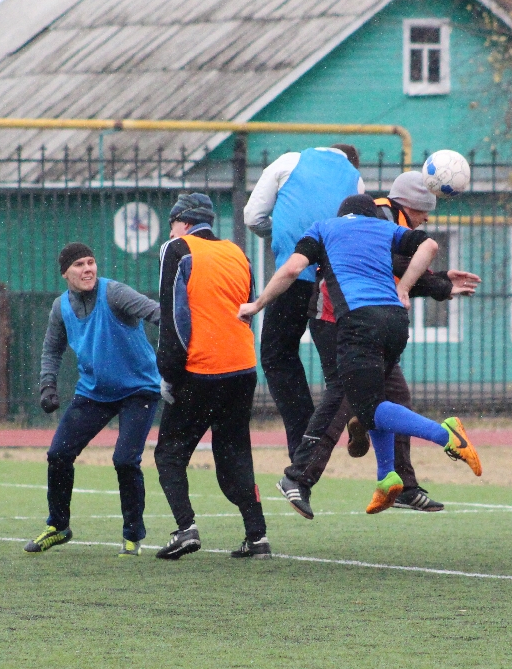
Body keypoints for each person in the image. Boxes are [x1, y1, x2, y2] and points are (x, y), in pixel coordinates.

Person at [239, 194, 482, 514]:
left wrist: (258, 304)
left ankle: (444, 434)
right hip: (395, 324)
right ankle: (389, 478)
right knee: (380, 398)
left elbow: (292, 269)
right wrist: (409, 288)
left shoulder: (324, 228)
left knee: (364, 406)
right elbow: (428, 247)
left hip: (358, 324)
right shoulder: (384, 230)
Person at [154, 193, 270, 560]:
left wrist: (169, 372)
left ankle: (185, 528)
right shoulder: (238, 253)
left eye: (172, 224)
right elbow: (248, 307)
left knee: (169, 453)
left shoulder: (177, 250)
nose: (170, 231)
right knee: (235, 453)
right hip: (243, 367)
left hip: (200, 369)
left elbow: (173, 316)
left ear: (185, 223)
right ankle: (257, 535)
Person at [25, 243, 161, 557]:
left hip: (139, 390)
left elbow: (158, 314)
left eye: (91, 262)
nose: (87, 269)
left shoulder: (115, 293)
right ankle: (59, 527)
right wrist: (47, 385)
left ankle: (132, 536)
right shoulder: (60, 307)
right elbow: (51, 350)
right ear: (65, 273)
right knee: (58, 454)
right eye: (79, 265)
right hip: (94, 392)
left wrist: (177, 353)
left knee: (125, 460)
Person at [243, 144, 365, 461]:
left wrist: (281, 232)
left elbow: (252, 216)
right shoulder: (355, 179)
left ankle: (303, 440)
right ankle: (356, 410)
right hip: (335, 285)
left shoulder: (289, 161)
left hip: (294, 279)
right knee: (338, 368)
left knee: (277, 355)